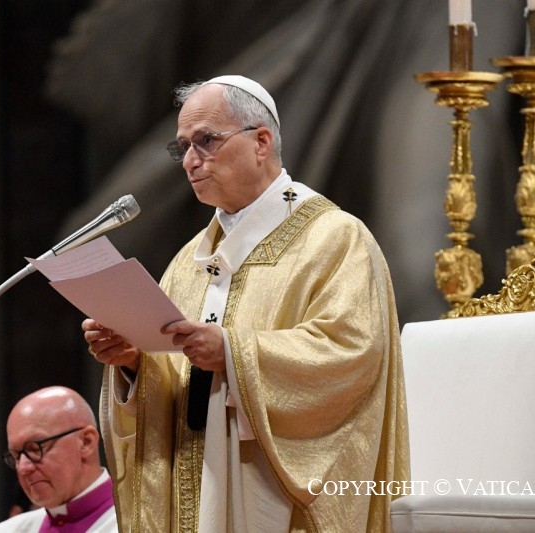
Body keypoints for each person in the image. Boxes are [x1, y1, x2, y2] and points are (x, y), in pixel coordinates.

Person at [82, 74, 409, 532]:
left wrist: (233, 355)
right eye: (182, 148)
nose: (190, 161)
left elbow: (354, 353)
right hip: (197, 487)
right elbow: (176, 380)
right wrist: (134, 362)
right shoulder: (189, 262)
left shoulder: (335, 238)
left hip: (271, 497)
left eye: (206, 141)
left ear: (261, 142)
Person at [0, 386, 117, 532]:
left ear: (86, 442)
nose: (23, 468)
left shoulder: (139, 524)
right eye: (16, 456)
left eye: (35, 448)